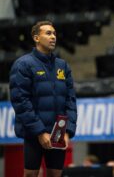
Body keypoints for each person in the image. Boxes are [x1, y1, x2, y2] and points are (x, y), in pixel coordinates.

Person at [9, 21, 77, 177]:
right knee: (31, 174)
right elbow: (20, 101)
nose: (53, 37)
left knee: (55, 174)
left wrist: (67, 131)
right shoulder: (23, 64)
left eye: (54, 33)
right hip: (34, 133)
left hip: (58, 132)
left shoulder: (63, 66)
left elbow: (70, 100)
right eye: (48, 33)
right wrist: (40, 132)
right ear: (36, 38)